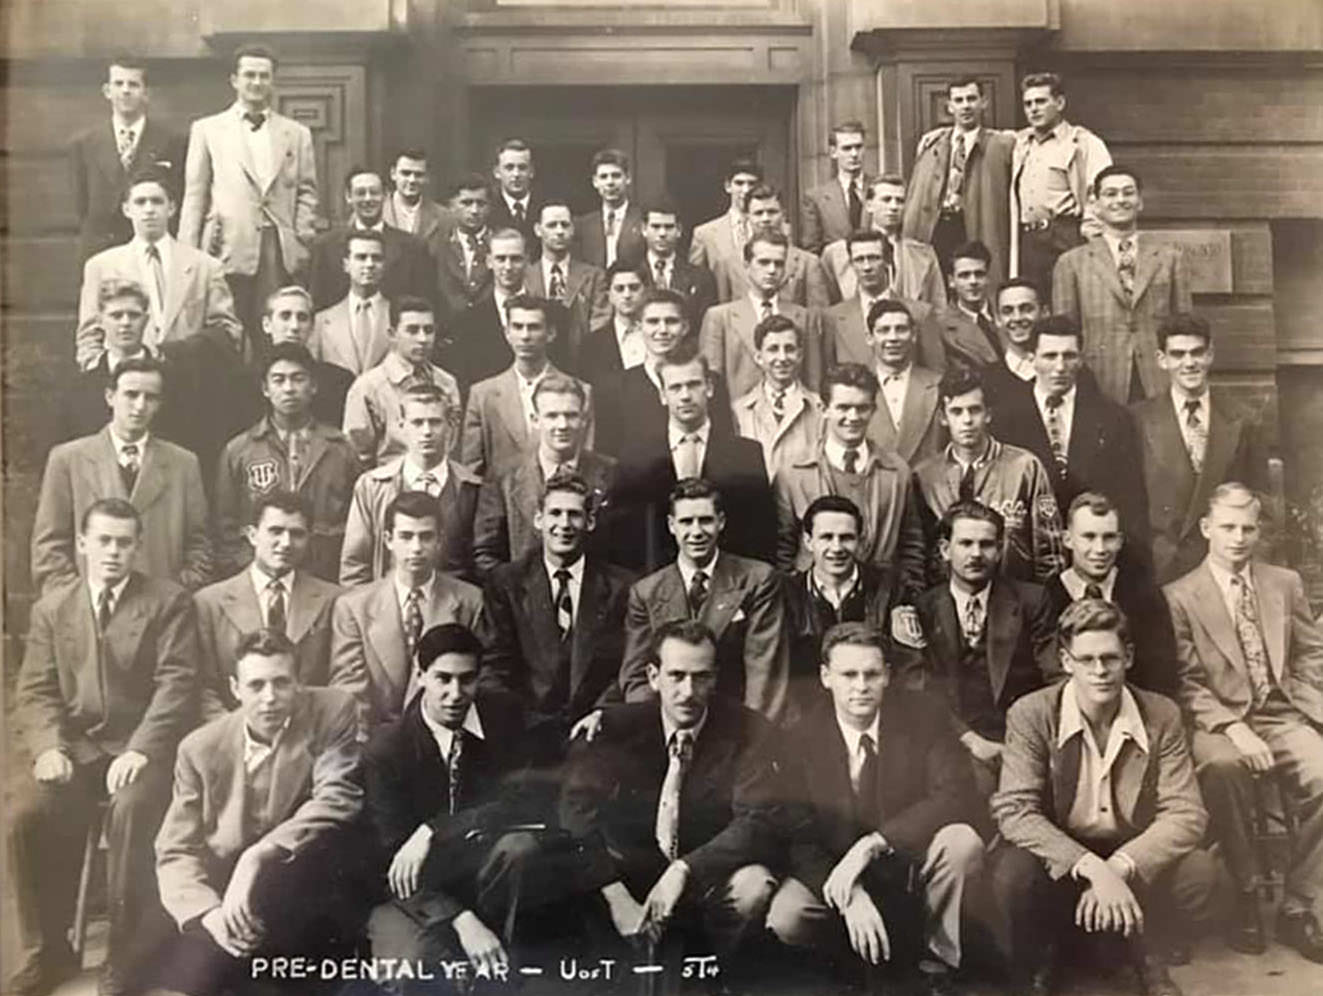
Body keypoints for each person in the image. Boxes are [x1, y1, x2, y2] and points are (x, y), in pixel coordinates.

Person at [9, 499, 196, 996]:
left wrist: (141, 749)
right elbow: (36, 690)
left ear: (138, 548)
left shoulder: (169, 601)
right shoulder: (53, 608)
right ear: (82, 545)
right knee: (27, 817)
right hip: (77, 753)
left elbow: (176, 684)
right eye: (104, 541)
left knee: (133, 811)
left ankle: (124, 956)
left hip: (142, 752)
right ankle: (48, 951)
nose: (113, 552)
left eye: (124, 542)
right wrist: (50, 747)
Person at [991, 599, 1219, 996]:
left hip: (1130, 850)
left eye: (1110, 658)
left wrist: (1118, 866)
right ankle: (1045, 957)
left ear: (1128, 657)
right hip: (1061, 856)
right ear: (1066, 661)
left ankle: (1150, 957)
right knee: (1014, 877)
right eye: (1087, 659)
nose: (1100, 671)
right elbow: (1015, 811)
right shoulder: (1032, 713)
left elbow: (1186, 812)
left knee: (1200, 874)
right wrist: (1091, 868)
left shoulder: (1160, 714)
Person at [768, 623, 982, 995]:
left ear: (887, 675)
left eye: (871, 674)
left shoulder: (924, 717)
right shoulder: (799, 738)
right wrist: (851, 895)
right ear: (826, 677)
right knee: (787, 916)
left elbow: (955, 794)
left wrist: (875, 843)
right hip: (837, 869)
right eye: (848, 675)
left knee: (962, 842)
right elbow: (798, 832)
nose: (861, 686)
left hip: (908, 858)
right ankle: (843, 965)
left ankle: (938, 960)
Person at [559, 619, 786, 971]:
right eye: (676, 676)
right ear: (653, 676)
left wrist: (685, 869)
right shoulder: (614, 728)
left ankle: (716, 975)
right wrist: (615, 894)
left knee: (754, 884)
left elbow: (757, 821)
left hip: (705, 871)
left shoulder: (748, 730)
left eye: (701, 677)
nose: (688, 691)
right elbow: (576, 813)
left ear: (715, 678)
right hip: (630, 873)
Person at [153, 629, 363, 996]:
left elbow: (337, 798)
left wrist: (256, 856)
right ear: (235, 688)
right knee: (188, 979)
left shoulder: (334, 710)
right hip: (224, 889)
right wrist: (209, 915)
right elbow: (175, 850)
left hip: (302, 874)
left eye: (282, 683)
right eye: (256, 685)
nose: (270, 698)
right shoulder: (199, 748)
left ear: (298, 682)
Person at [1165, 483, 1323, 963]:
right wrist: (1234, 728)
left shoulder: (1284, 582)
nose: (1238, 538)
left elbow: (1310, 653)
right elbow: (1187, 683)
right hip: (1219, 722)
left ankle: (1299, 903)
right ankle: (1249, 895)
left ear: (1259, 532)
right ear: (1207, 529)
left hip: (1282, 712)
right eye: (1228, 527)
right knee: (1225, 769)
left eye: (1248, 528)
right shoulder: (1180, 596)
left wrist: (1311, 711)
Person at [363, 624, 555, 983]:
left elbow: (526, 803)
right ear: (420, 676)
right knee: (412, 965)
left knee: (521, 848)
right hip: (415, 895)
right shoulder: (388, 750)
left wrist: (435, 829)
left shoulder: (505, 716)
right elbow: (391, 858)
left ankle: (504, 977)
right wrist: (460, 919)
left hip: (489, 879)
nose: (455, 693)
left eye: (467, 679)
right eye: (443, 679)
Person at [913, 500, 1058, 800]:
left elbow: (1055, 678)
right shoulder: (923, 608)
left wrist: (1025, 742)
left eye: (986, 544)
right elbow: (920, 689)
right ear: (945, 549)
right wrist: (969, 740)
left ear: (1000, 549)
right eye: (965, 543)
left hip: (1020, 739)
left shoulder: (1032, 601)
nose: (976, 554)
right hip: (949, 740)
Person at [32, 356, 212, 595]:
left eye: (150, 397)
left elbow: (200, 547)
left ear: (159, 404)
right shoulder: (68, 459)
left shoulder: (183, 464)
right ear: (110, 397)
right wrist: (74, 602)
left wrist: (174, 596)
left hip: (159, 616)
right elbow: (49, 547)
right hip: (90, 613)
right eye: (131, 394)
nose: (140, 406)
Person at [179, 45, 318, 349]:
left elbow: (307, 190)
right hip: (225, 246)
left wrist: (301, 236)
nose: (256, 82)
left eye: (264, 76)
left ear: (273, 81)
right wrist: (187, 252)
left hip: (277, 249)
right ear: (234, 80)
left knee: (275, 332)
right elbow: (195, 193)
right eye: (249, 75)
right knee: (227, 330)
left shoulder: (296, 133)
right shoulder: (208, 129)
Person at [618, 477, 790, 722]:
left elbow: (764, 674)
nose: (696, 532)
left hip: (735, 724)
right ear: (671, 525)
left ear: (721, 522)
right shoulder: (646, 592)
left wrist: (750, 738)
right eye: (686, 522)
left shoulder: (758, 580)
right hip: (670, 725)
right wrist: (659, 730)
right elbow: (636, 678)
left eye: (706, 521)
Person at [483, 473, 635, 745]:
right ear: (539, 519)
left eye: (574, 515)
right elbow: (494, 667)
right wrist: (522, 724)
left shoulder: (620, 587)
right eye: (555, 513)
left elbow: (628, 665)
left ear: (590, 522)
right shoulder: (506, 583)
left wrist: (604, 713)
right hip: (526, 735)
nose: (564, 524)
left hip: (595, 733)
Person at [994, 315, 1150, 563]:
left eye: (1069, 356)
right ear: (1031, 359)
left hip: (1095, 556)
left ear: (1080, 359)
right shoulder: (1005, 419)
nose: (1060, 366)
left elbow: (1131, 501)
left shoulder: (1113, 418)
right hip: (1026, 559)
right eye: (1050, 356)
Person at [331, 491, 486, 731]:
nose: (416, 548)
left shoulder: (470, 602)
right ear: (388, 539)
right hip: (378, 741)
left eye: (426, 537)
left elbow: (474, 686)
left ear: (440, 540)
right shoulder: (353, 607)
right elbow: (351, 695)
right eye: (406, 536)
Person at [773, 364, 926, 603]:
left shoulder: (897, 472)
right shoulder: (793, 473)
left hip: (880, 602)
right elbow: (783, 549)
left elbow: (912, 546)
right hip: (812, 603)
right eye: (843, 408)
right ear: (824, 409)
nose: (853, 417)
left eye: (862, 408)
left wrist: (906, 597)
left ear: (873, 410)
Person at [613, 344, 773, 571]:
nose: (685, 395)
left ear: (709, 387)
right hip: (655, 586)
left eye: (693, 385)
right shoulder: (636, 458)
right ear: (663, 395)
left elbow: (760, 535)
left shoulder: (746, 455)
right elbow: (622, 537)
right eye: (675, 388)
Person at [1133, 313, 1265, 584]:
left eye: (1197, 352)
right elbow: (1131, 506)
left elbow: (1262, 501)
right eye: (1178, 354)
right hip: (1163, 571)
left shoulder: (1243, 418)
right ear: (1162, 359)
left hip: (1226, 566)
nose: (1189, 363)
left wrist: (1252, 568)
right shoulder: (1138, 421)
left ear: (1210, 354)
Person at [214, 342, 360, 581]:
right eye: (279, 380)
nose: (289, 388)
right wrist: (252, 567)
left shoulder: (340, 449)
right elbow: (225, 526)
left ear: (313, 386)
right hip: (260, 576)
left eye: (298, 379)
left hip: (324, 576)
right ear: (265, 388)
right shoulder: (240, 450)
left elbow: (356, 523)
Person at [194, 490, 341, 720]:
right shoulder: (209, 603)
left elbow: (339, 683)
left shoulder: (334, 600)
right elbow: (203, 689)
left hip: (310, 735)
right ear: (252, 535)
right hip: (234, 736)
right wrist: (238, 736)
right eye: (275, 531)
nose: (286, 543)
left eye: (297, 534)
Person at [912, 364, 1065, 585]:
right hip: (944, 603)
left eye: (974, 410)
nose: (967, 421)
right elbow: (917, 552)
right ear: (943, 418)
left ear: (988, 414)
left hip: (1014, 601)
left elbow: (1049, 551)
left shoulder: (1025, 467)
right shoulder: (925, 477)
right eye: (956, 411)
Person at [1053, 165, 1192, 404]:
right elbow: (1065, 334)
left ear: (1140, 201)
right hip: (1100, 380)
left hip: (1157, 378)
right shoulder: (1071, 263)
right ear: (1096, 205)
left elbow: (1185, 326)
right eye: (1110, 194)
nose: (1120, 200)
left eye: (1128, 193)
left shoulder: (1169, 259)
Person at [75, 168, 241, 366]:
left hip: (188, 377)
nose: (149, 209)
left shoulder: (205, 267)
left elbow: (227, 331)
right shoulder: (101, 266)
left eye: (157, 201)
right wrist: (104, 374)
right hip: (129, 381)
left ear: (171, 208)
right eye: (140, 202)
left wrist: (188, 354)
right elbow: (89, 336)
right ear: (127, 209)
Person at [781, 497, 924, 722]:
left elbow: (909, 667)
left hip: (875, 716)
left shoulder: (890, 589)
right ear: (808, 541)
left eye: (846, 538)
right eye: (826, 537)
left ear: (860, 541)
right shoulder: (786, 594)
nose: (836, 548)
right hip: (805, 720)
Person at [473, 374, 617, 575]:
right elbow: (485, 553)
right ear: (535, 420)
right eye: (552, 416)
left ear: (584, 420)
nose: (562, 425)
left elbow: (621, 554)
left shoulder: (611, 473)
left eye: (571, 415)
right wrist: (512, 595)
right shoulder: (503, 476)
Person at [341, 386, 479, 586]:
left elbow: (481, 564)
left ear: (450, 426)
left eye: (435, 422)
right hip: (387, 607)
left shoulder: (472, 488)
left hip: (454, 609)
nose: (426, 432)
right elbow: (355, 566)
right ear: (401, 426)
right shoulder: (372, 487)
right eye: (417, 423)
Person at [1046, 492, 1177, 696]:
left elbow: (1162, 675)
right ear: (1067, 540)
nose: (1100, 549)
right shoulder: (1046, 598)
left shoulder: (1145, 596)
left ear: (1120, 541)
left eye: (1109, 538)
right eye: (1089, 537)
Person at [459, 293, 594, 479]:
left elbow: (584, 461)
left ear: (551, 333)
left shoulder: (580, 391)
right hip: (500, 503)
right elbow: (472, 469)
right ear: (507, 333)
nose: (525, 336)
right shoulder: (483, 395)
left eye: (534, 327)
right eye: (517, 327)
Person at [71, 54, 186, 262]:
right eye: (118, 84)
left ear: (146, 93)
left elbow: (178, 196)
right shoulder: (85, 144)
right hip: (100, 252)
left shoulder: (172, 141)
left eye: (133, 84)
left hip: (152, 251)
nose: (125, 90)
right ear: (107, 91)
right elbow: (82, 206)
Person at [902, 77, 1014, 285]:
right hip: (937, 227)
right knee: (934, 286)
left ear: (984, 102)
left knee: (974, 281)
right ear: (950, 107)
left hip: (973, 224)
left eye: (971, 99)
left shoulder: (1000, 144)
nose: (966, 106)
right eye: (959, 100)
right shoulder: (933, 144)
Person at [699, 229, 831, 403]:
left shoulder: (804, 318)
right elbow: (711, 382)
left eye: (778, 264)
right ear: (746, 265)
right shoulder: (720, 317)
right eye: (763, 262)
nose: (771, 270)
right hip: (739, 420)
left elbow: (813, 381)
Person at [1010, 71, 1111, 295]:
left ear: (1059, 102)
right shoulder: (1019, 143)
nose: (1033, 109)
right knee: (1032, 301)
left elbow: (1100, 194)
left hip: (1064, 234)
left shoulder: (1083, 143)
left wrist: (1092, 239)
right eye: (1028, 104)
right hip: (1028, 239)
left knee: (1069, 300)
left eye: (1041, 101)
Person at [342, 294, 462, 466]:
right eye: (412, 330)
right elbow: (356, 458)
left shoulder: (447, 383)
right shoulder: (368, 387)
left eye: (428, 330)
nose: (422, 339)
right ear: (392, 334)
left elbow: (452, 447)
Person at [307, 165, 435, 310]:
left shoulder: (414, 247)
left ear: (386, 195)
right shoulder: (325, 246)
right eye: (360, 193)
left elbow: (424, 305)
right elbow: (317, 304)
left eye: (374, 192)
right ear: (348, 197)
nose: (367, 199)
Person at [823, 228, 947, 374]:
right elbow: (828, 373)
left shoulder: (920, 313)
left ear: (888, 260)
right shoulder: (833, 317)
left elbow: (936, 373)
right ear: (851, 264)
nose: (867, 267)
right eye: (859, 260)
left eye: (874, 258)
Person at [822, 176, 947, 308]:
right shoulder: (836, 254)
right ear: (869, 205)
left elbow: (938, 309)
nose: (894, 207)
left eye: (900, 201)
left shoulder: (924, 255)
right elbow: (827, 310)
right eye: (886, 200)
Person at [445, 228, 542, 389]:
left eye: (516, 259)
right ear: (489, 262)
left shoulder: (552, 314)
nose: (508, 266)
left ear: (527, 260)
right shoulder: (467, 322)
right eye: (501, 259)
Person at [732, 313, 825, 478]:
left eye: (789, 349)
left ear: (800, 355)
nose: (782, 358)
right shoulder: (739, 411)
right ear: (759, 357)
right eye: (773, 349)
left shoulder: (819, 408)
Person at [718, 183, 833, 309]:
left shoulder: (808, 263)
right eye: (758, 213)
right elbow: (724, 314)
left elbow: (817, 315)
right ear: (747, 217)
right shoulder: (729, 264)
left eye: (772, 212)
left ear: (783, 214)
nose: (765, 219)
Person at [860, 298, 945, 466]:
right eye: (884, 330)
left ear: (913, 335)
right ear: (869, 337)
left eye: (901, 329)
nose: (893, 338)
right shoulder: (856, 388)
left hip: (927, 487)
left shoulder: (938, 384)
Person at [524, 199, 610, 364]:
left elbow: (601, 323)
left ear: (573, 229)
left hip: (583, 362)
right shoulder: (526, 276)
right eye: (552, 225)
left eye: (565, 225)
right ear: (538, 230)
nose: (559, 231)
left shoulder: (594, 276)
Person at [261, 284, 355, 427]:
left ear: (312, 326)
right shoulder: (245, 383)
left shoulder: (339, 383)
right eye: (285, 316)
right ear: (267, 324)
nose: (294, 326)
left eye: (302, 318)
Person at [309, 229, 394, 376]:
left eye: (376, 258)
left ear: (384, 265)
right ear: (346, 265)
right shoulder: (322, 321)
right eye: (361, 257)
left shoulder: (398, 317)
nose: (369, 264)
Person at [688, 156, 763, 301]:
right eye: (739, 183)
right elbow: (696, 282)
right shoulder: (705, 234)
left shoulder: (774, 228)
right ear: (728, 186)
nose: (745, 190)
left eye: (751, 184)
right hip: (723, 312)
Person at [637, 199, 717, 324]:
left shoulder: (701, 278)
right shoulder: (631, 273)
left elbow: (705, 327)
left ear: (679, 230)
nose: (662, 233)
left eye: (668, 227)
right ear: (644, 229)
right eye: (656, 227)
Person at [931, 240, 1005, 369]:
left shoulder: (1006, 315)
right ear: (951, 281)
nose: (973, 281)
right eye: (964, 275)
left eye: (979, 274)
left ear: (988, 277)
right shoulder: (942, 329)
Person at [800, 120, 869, 255]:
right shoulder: (816, 197)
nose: (854, 154)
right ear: (833, 152)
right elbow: (811, 248)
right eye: (847, 148)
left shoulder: (879, 189)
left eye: (858, 147)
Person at [579, 259, 649, 388]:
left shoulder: (658, 336)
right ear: (609, 295)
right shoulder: (592, 345)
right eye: (619, 289)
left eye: (634, 288)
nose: (627, 295)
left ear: (645, 291)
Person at [434, 172, 494, 321]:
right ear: (451, 205)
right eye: (466, 203)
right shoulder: (436, 246)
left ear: (490, 207)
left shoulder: (499, 245)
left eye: (481, 203)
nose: (474, 211)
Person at [574, 147, 645, 267]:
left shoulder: (642, 220)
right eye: (603, 177)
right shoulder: (584, 225)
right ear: (595, 182)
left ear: (627, 178)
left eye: (616, 176)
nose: (610, 182)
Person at [979, 277, 1043, 410]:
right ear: (998, 319)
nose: (1017, 318)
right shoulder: (987, 380)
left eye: (1026, 309)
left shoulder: (1068, 371)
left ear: (1045, 312)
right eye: (1008, 311)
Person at [383, 147, 450, 249]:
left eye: (419, 175)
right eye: (405, 173)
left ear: (427, 177)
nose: (412, 180)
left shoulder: (443, 217)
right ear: (393, 174)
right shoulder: (378, 212)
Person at [488, 138, 543, 255]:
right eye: (509, 168)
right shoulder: (488, 208)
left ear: (531, 171)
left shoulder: (544, 207)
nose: (516, 174)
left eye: (522, 168)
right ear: (497, 172)